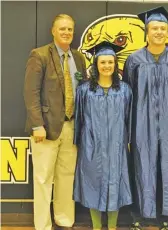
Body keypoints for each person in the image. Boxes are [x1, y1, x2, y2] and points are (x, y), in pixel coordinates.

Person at [123, 6, 168, 230]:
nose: (159, 32)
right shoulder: (135, 59)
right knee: (143, 165)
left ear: (167, 31)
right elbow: (128, 92)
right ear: (147, 32)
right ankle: (143, 214)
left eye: (163, 28)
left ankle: (167, 214)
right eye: (155, 28)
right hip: (142, 121)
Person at [24, 14, 87, 230]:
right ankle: (42, 225)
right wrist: (36, 125)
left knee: (66, 177)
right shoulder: (39, 55)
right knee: (42, 179)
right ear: (53, 31)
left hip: (71, 126)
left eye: (70, 29)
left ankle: (64, 219)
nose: (67, 33)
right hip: (46, 128)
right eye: (62, 29)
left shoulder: (78, 58)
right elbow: (31, 93)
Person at [73, 41, 133, 230]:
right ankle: (97, 226)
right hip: (92, 145)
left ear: (115, 65)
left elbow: (129, 119)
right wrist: (81, 142)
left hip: (116, 145)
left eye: (110, 62)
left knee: (115, 184)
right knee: (94, 183)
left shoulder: (124, 90)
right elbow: (79, 119)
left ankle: (113, 226)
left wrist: (127, 142)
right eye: (103, 62)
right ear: (96, 65)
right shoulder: (85, 91)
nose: (107, 66)